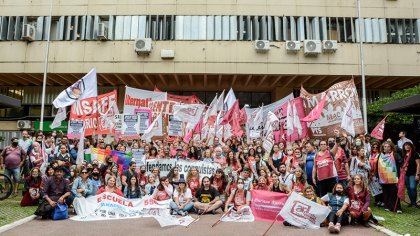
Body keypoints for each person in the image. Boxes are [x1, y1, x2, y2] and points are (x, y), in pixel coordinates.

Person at [376, 141, 403, 213]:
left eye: (388, 146)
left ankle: (397, 208)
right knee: (385, 193)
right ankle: (387, 206)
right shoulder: (380, 156)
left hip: (393, 177)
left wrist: (403, 167)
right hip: (383, 178)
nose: (386, 148)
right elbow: (377, 166)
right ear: (383, 147)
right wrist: (377, 176)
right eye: (385, 146)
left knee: (394, 192)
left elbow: (401, 162)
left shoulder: (395, 154)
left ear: (391, 147)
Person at [401, 142, 420, 208]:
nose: (407, 147)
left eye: (408, 145)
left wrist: (417, 174)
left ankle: (414, 203)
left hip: (413, 173)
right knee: (408, 188)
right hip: (406, 174)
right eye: (405, 145)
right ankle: (412, 203)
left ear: (411, 146)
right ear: (404, 147)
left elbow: (418, 164)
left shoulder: (415, 154)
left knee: (413, 187)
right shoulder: (403, 155)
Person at [368, 141, 384, 206]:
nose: (375, 148)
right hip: (371, 174)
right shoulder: (370, 155)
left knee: (380, 188)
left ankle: (382, 200)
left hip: (378, 174)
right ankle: (377, 200)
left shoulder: (380, 155)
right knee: (374, 188)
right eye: (373, 147)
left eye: (376, 147)